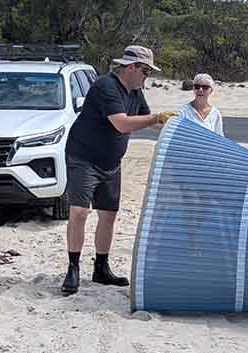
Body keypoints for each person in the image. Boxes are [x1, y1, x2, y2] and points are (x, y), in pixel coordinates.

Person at [61, 45, 176, 295]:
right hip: (84, 158)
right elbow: (122, 123)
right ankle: (73, 267)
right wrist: (156, 117)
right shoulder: (106, 86)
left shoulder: (135, 92)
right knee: (80, 211)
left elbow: (147, 122)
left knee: (108, 215)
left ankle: (101, 268)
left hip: (111, 163)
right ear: (131, 67)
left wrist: (173, 126)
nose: (147, 76)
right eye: (145, 71)